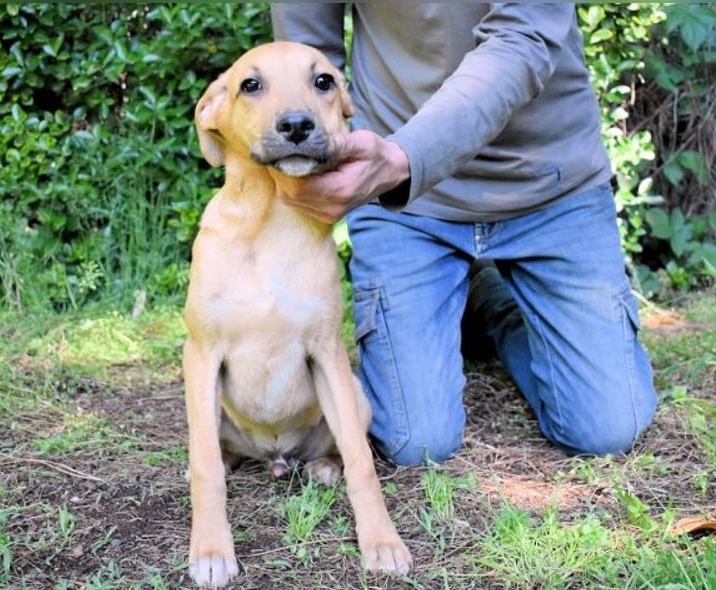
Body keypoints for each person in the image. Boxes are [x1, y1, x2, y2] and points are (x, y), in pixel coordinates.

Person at [270, 4, 658, 466]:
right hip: (404, 199)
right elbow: (305, 59)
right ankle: (470, 292)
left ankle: (491, 302)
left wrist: (402, 159)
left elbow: (523, 37)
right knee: (416, 443)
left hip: (548, 185)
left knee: (608, 428)